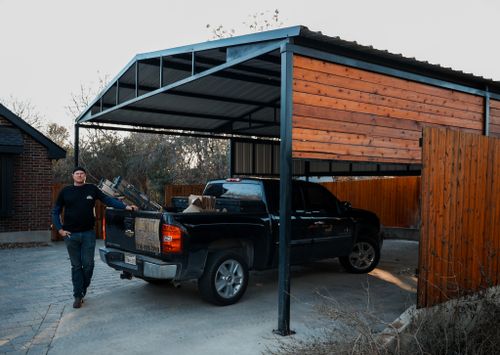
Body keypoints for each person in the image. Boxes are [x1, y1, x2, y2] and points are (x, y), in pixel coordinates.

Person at [52, 166, 137, 309]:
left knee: (89, 264)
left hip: (88, 234)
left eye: (82, 174)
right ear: (73, 176)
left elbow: (108, 200)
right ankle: (77, 295)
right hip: (70, 235)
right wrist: (60, 229)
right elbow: (56, 211)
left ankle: (82, 288)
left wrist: (125, 207)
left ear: (85, 176)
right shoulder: (65, 192)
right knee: (76, 265)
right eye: (77, 174)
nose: (79, 176)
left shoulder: (91, 189)